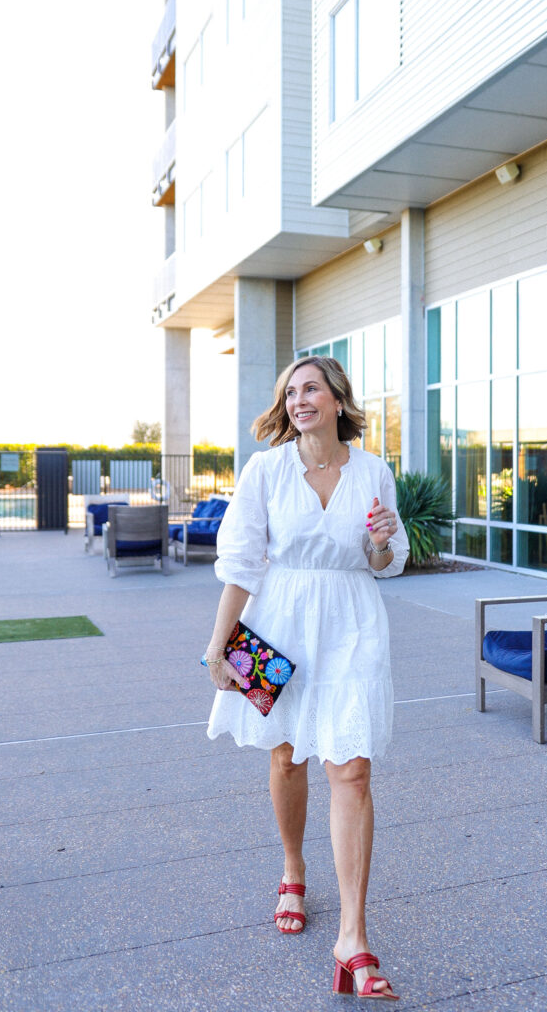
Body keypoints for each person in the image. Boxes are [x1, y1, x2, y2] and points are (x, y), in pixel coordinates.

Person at [204, 355, 409, 1001]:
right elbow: (241, 563)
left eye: (310, 388)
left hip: (352, 622)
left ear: (338, 399)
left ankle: (353, 936)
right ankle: (293, 868)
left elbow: (385, 563)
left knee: (351, 768)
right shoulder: (265, 469)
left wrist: (382, 540)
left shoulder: (375, 470)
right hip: (279, 620)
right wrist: (218, 650)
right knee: (287, 757)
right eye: (290, 392)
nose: (298, 399)